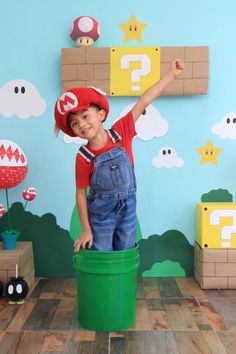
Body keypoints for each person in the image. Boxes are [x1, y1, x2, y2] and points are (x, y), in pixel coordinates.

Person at [54, 58, 184, 252]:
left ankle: (123, 283)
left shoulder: (121, 131)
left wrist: (170, 75)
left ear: (100, 114)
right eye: (74, 123)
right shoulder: (84, 156)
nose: (81, 124)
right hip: (100, 213)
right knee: (101, 252)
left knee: (125, 251)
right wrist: (86, 230)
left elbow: (143, 101)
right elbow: (81, 194)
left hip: (128, 208)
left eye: (85, 116)